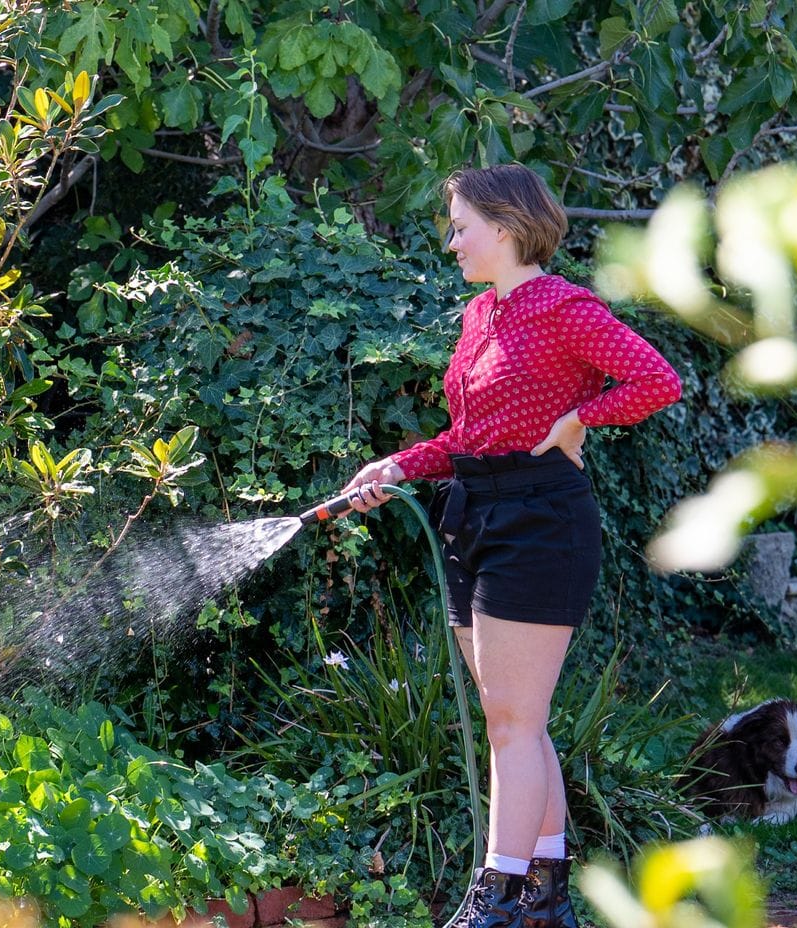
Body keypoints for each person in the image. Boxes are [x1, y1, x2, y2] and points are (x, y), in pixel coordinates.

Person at [339, 164, 681, 928]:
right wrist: (398, 466)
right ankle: (547, 898)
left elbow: (657, 380)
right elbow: (467, 436)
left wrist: (580, 420)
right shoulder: (476, 318)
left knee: (512, 725)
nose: (452, 240)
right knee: (517, 721)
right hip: (475, 514)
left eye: (460, 225)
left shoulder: (564, 306)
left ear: (504, 226)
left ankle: (492, 903)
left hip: (541, 523)